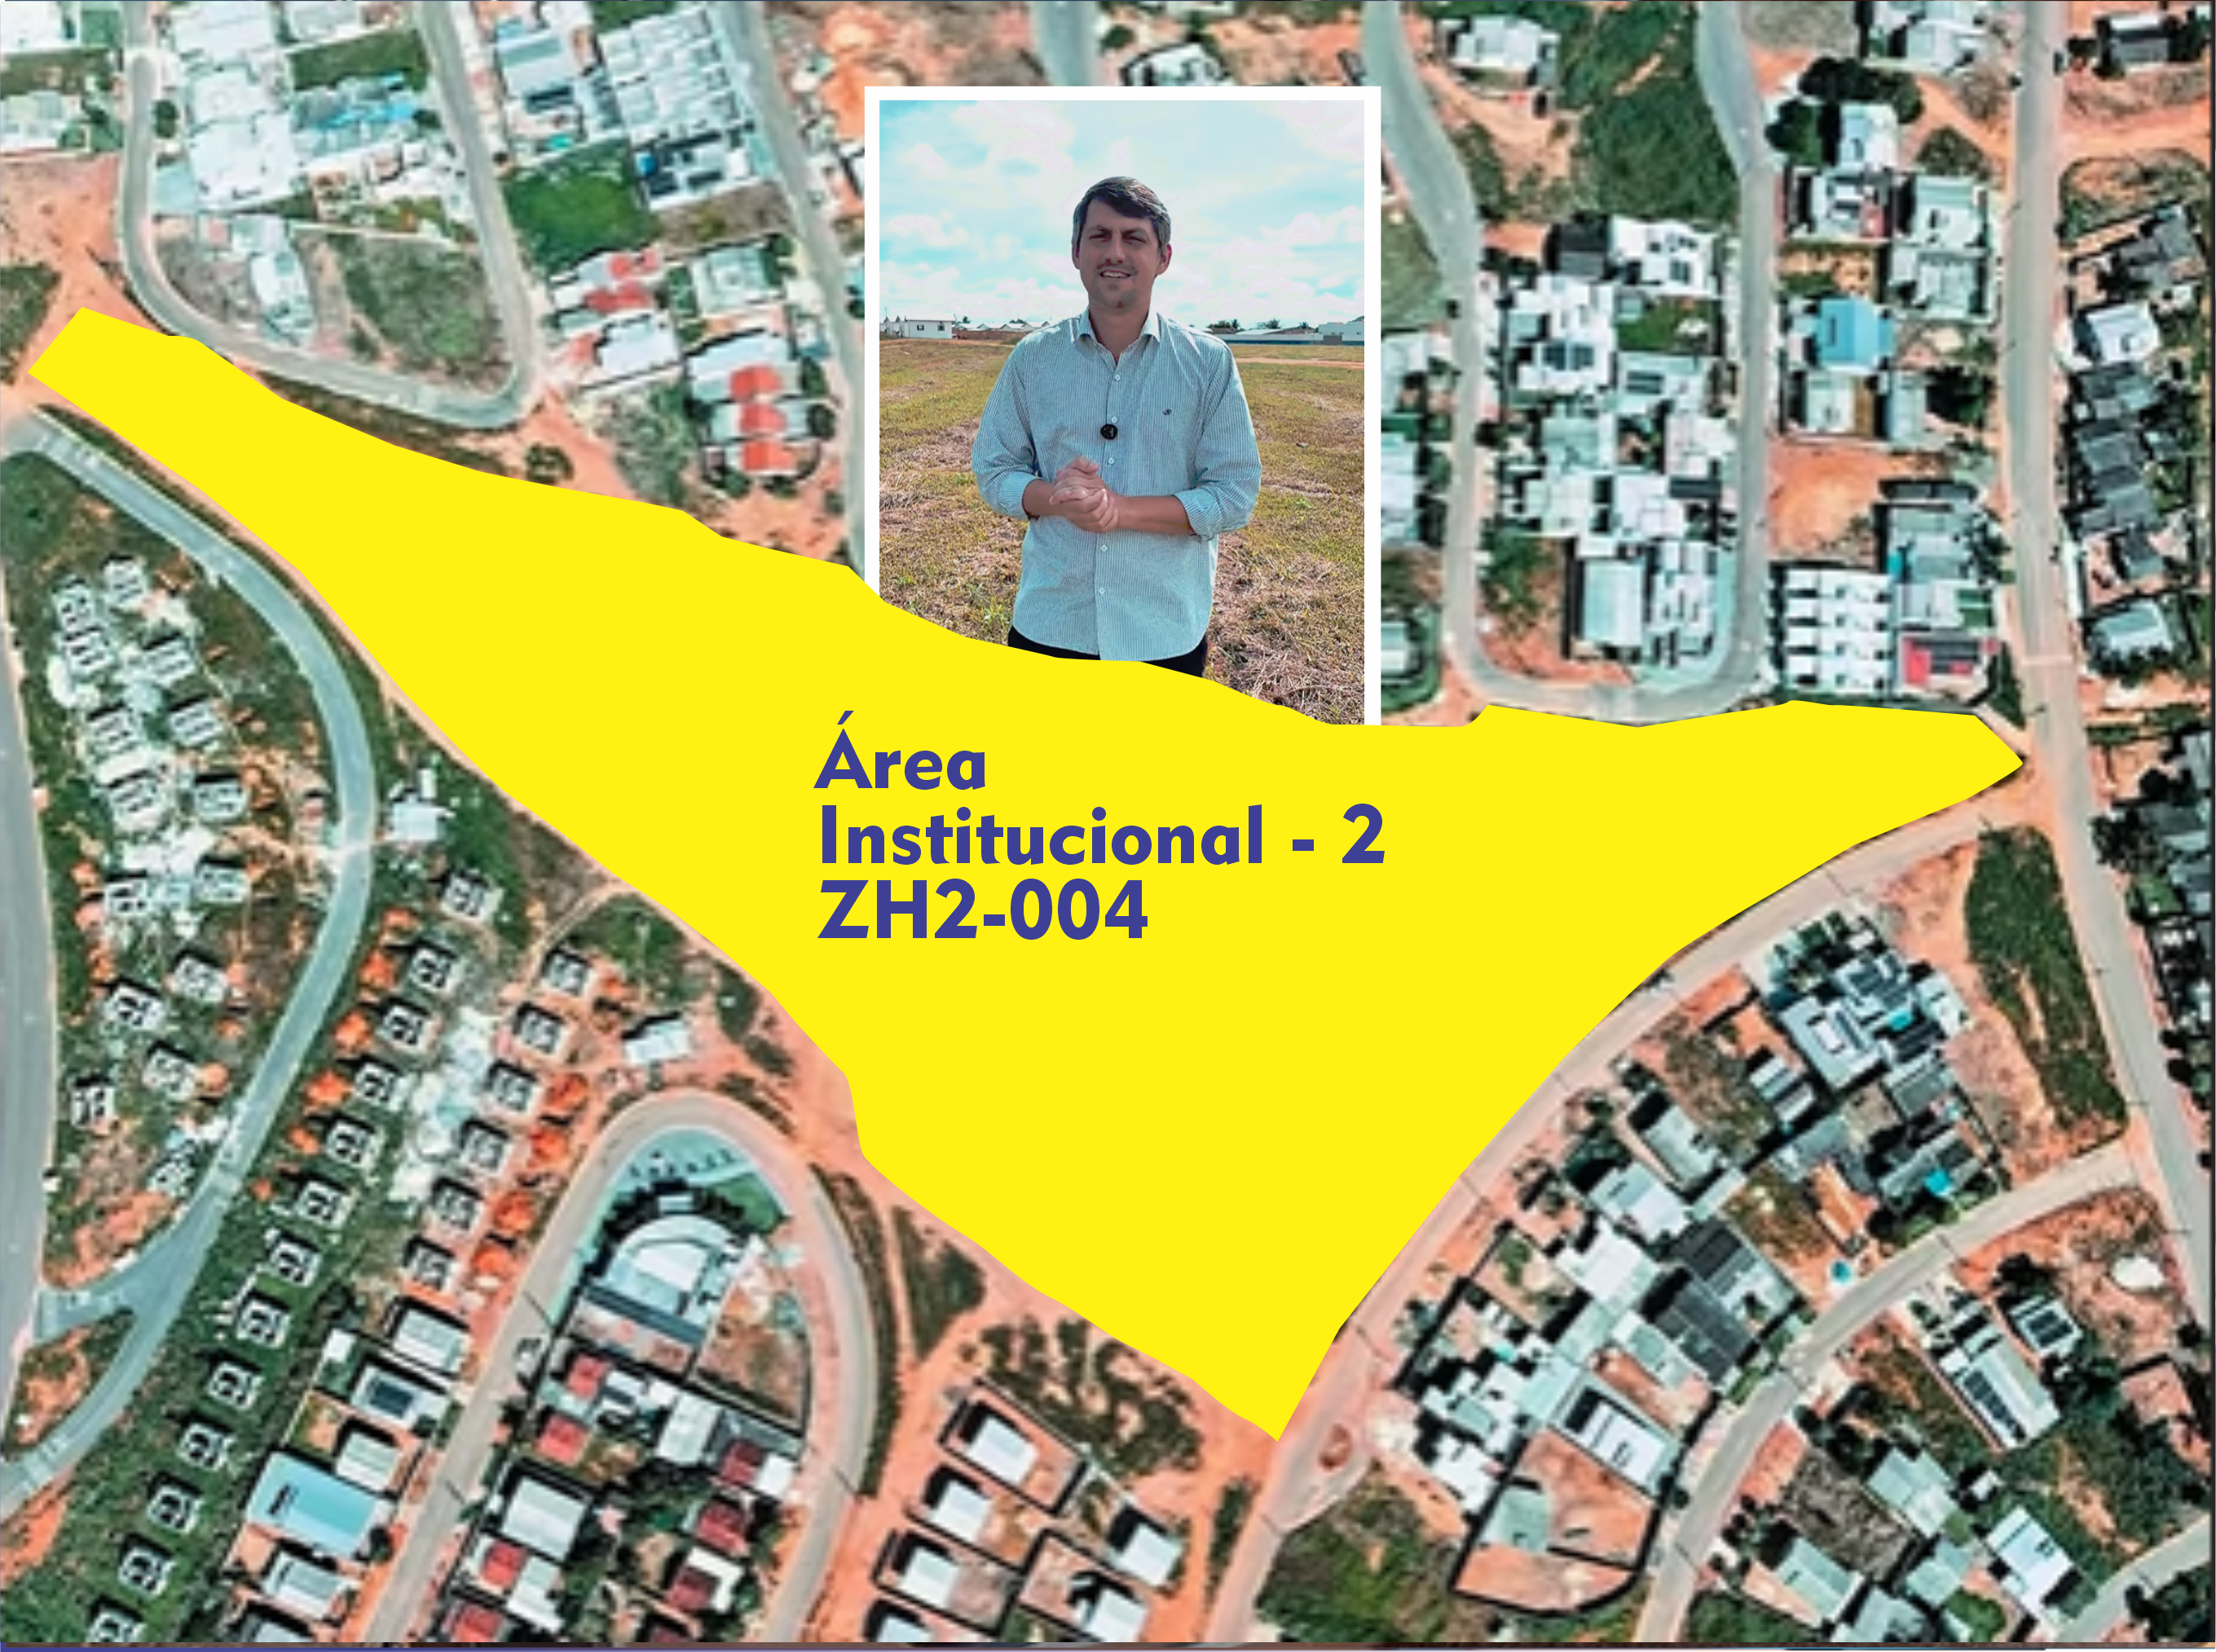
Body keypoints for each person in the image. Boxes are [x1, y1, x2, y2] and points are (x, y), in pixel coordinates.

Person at [971, 177, 1262, 675]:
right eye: (1100, 236)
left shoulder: (1208, 363)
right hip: (1051, 623)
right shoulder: (1032, 359)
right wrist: (1056, 498)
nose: (1115, 252)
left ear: (1163, 257)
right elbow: (995, 469)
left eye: (1134, 238)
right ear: (1076, 252)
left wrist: (1118, 510)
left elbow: (1234, 494)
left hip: (1162, 633)